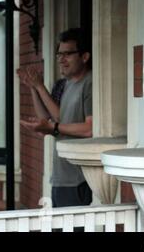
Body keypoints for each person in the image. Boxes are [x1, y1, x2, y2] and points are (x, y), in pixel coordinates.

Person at [20, 28, 93, 208]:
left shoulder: (90, 83)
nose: (61, 59)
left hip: (79, 179)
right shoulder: (67, 84)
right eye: (59, 54)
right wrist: (34, 87)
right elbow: (55, 119)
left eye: (68, 54)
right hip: (61, 177)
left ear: (85, 57)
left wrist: (53, 128)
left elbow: (90, 129)